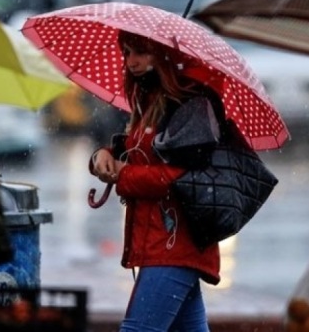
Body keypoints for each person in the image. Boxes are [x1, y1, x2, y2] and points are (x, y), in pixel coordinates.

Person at [89, 31, 222, 332]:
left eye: (141, 52)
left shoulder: (189, 104)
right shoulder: (146, 99)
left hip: (176, 241)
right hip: (160, 242)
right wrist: (103, 156)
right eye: (126, 52)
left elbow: (182, 176)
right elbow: (139, 152)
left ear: (163, 54)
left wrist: (123, 173)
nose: (131, 62)